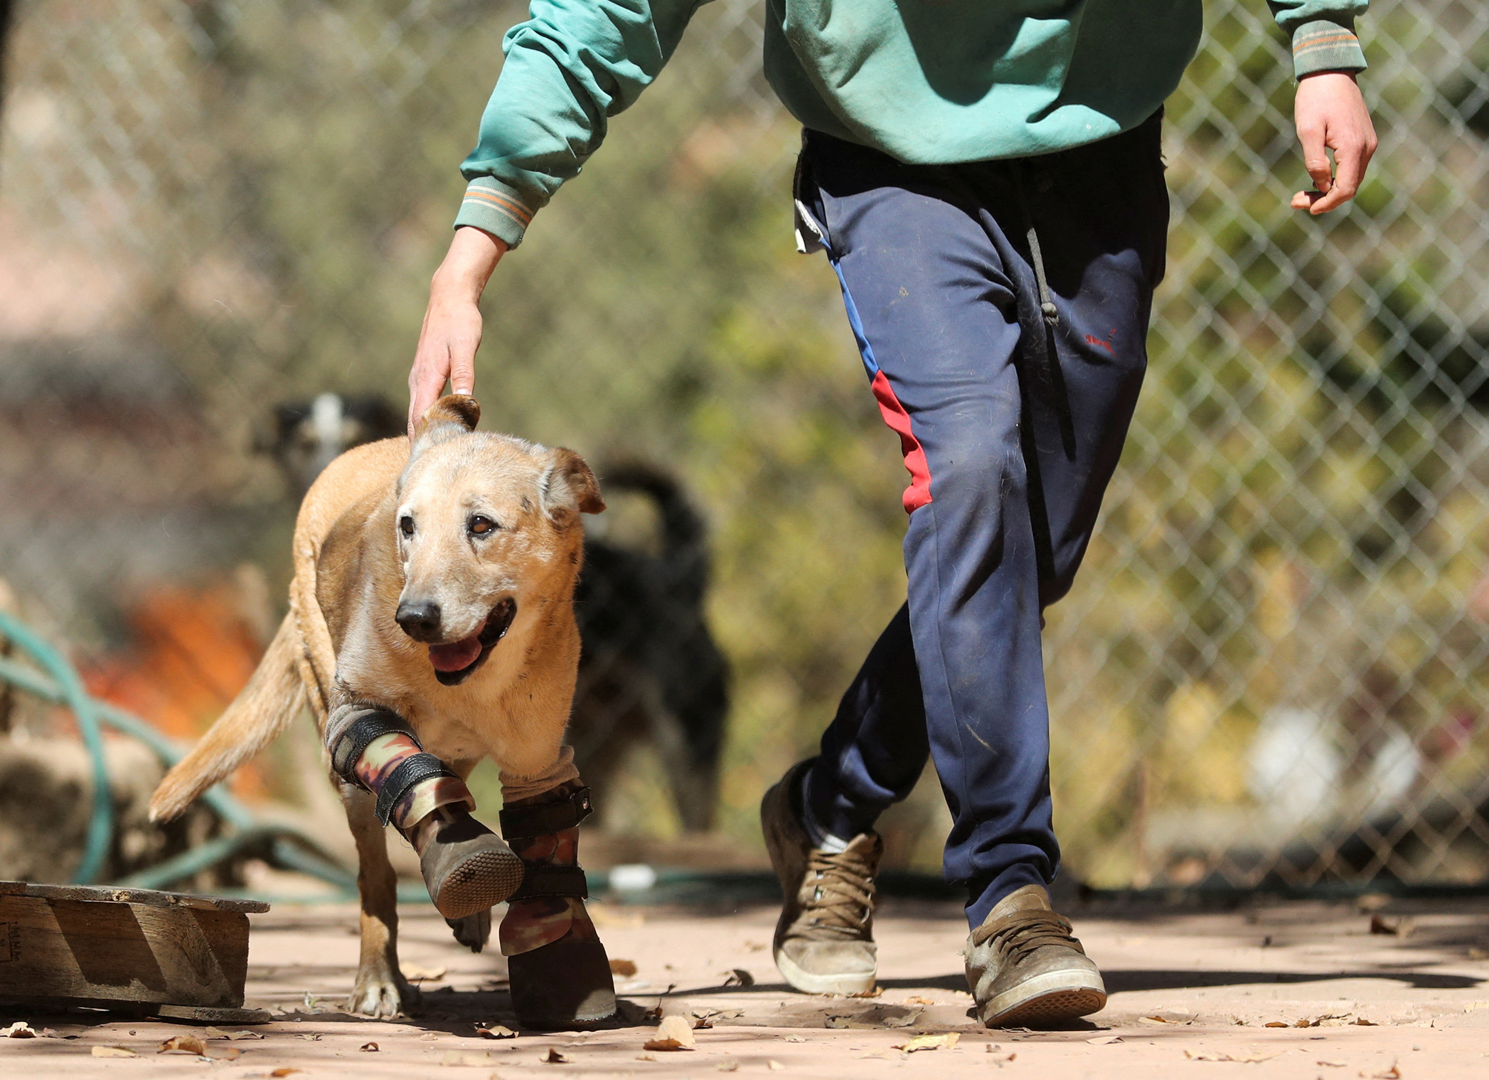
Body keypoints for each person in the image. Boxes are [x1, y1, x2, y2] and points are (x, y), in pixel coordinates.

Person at [407, 0, 1377, 1028]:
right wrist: (471, 252)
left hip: (1101, 133)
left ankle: (829, 808)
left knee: (1031, 551)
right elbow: (607, 13)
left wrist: (1321, 38)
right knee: (971, 471)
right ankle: (1011, 896)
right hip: (891, 157)